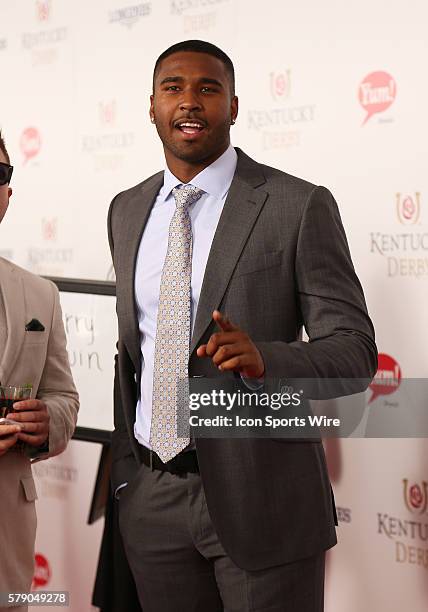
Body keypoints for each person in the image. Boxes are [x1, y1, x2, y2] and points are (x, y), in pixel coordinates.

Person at [107, 40, 377, 611]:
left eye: (208, 89)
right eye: (173, 88)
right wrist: (129, 475)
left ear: (233, 106)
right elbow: (138, 350)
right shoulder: (127, 209)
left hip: (265, 498)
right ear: (151, 105)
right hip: (152, 499)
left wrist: (269, 359)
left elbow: (354, 353)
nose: (190, 102)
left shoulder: (296, 205)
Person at [0, 130, 79, 610]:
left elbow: (64, 396)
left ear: (9, 191)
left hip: (8, 531)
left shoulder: (39, 294)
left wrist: (50, 421)